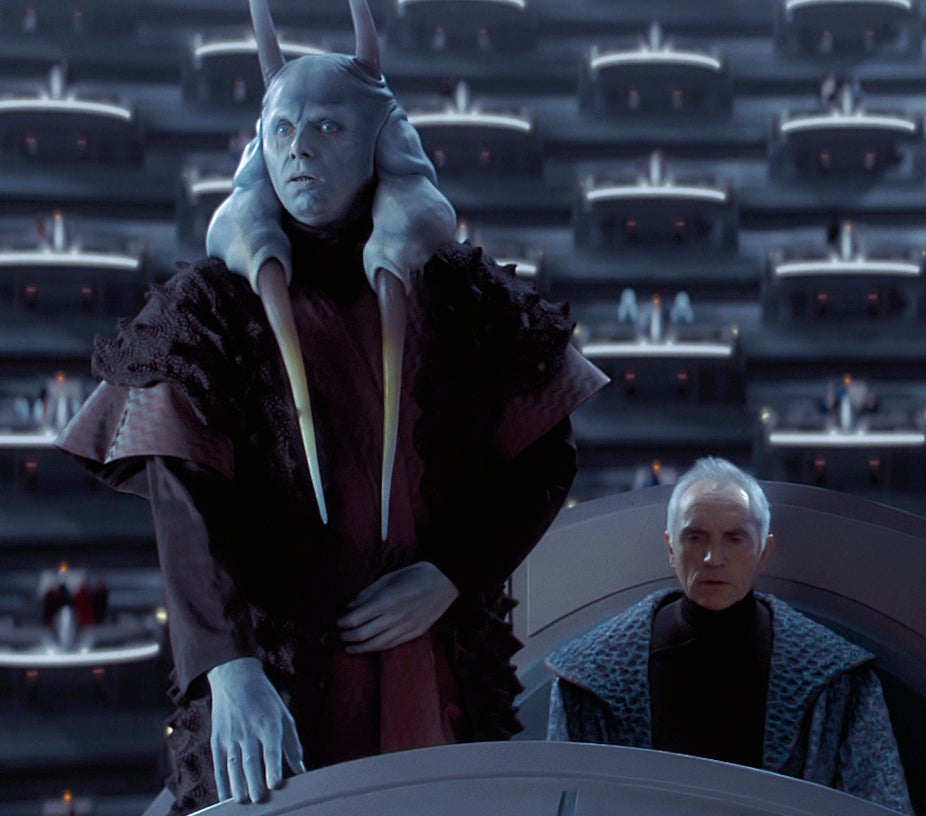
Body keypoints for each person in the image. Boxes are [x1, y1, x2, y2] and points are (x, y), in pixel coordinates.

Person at [54, 1, 606, 813]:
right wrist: (228, 666)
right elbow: (184, 494)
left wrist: (451, 573)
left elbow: (545, 455)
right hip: (276, 669)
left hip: (429, 655)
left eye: (328, 128)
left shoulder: (462, 297)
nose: (300, 150)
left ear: (380, 142)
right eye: (282, 130)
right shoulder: (211, 307)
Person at [545, 457, 913, 814]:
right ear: (672, 548)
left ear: (764, 552)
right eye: (696, 537)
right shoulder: (589, 678)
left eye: (735, 539)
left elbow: (880, 802)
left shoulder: (840, 682)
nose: (713, 558)